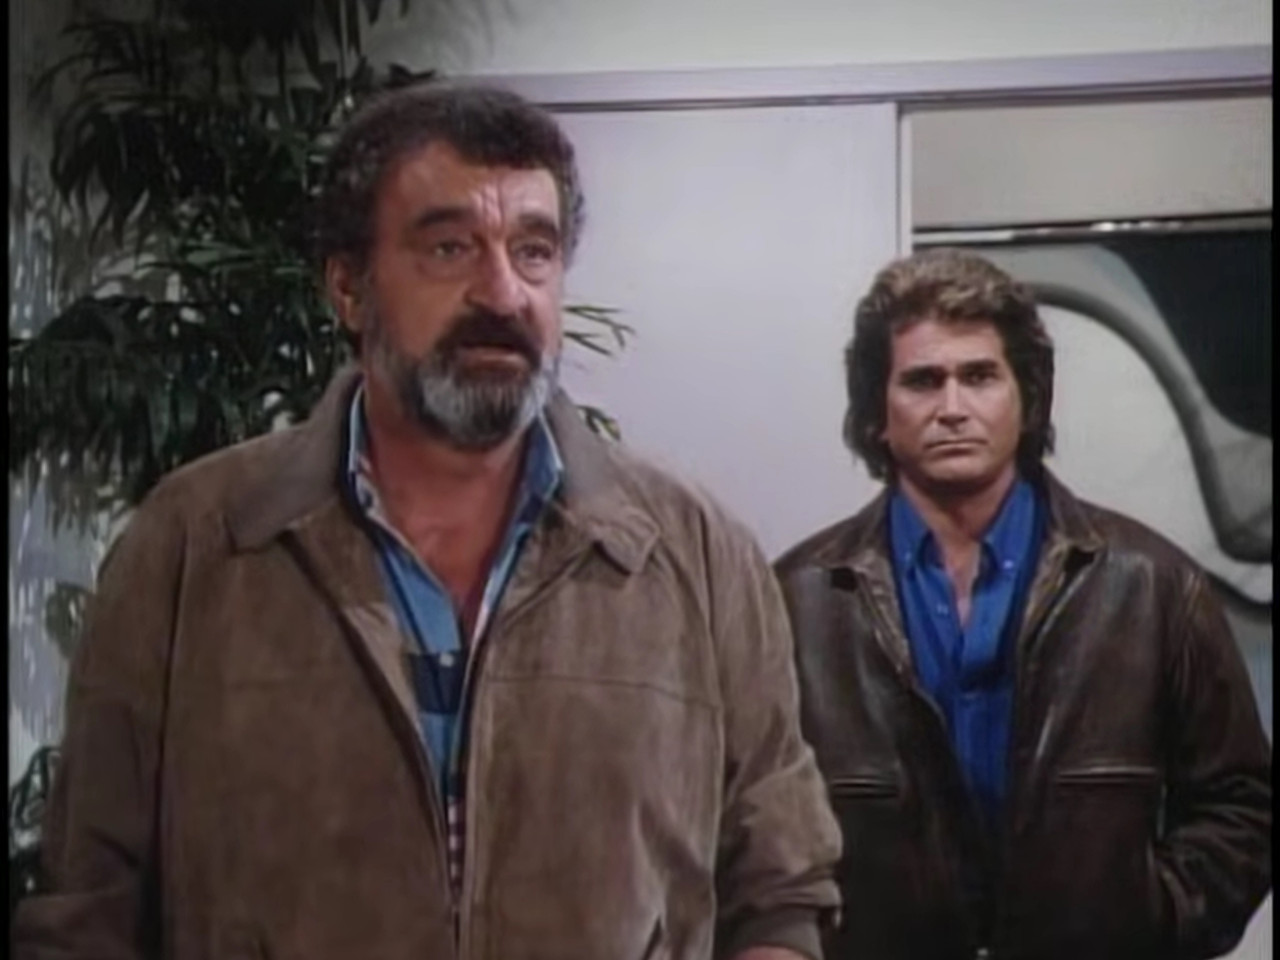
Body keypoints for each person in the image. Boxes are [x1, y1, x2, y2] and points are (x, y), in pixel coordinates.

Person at [15, 82, 841, 960]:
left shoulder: (695, 551)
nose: (504, 293)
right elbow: (87, 910)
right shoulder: (194, 541)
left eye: (535, 251)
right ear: (348, 287)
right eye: (450, 248)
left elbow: (779, 891)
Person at [775, 248, 1271, 960]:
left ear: (1028, 398)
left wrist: (1151, 918)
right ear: (878, 410)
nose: (953, 408)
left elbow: (1243, 804)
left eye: (979, 376)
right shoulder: (795, 599)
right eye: (922, 380)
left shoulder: (1152, 584)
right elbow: (746, 817)